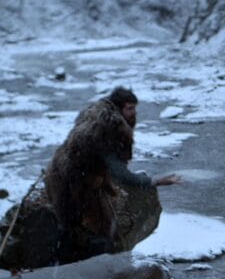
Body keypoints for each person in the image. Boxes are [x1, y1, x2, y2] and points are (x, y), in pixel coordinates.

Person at [44, 86, 181, 261]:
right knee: (75, 226)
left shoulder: (98, 116)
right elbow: (120, 174)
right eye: (130, 108)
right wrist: (156, 181)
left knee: (95, 225)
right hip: (70, 179)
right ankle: (70, 268)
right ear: (118, 107)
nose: (134, 113)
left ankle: (81, 260)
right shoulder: (107, 130)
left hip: (75, 172)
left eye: (134, 108)